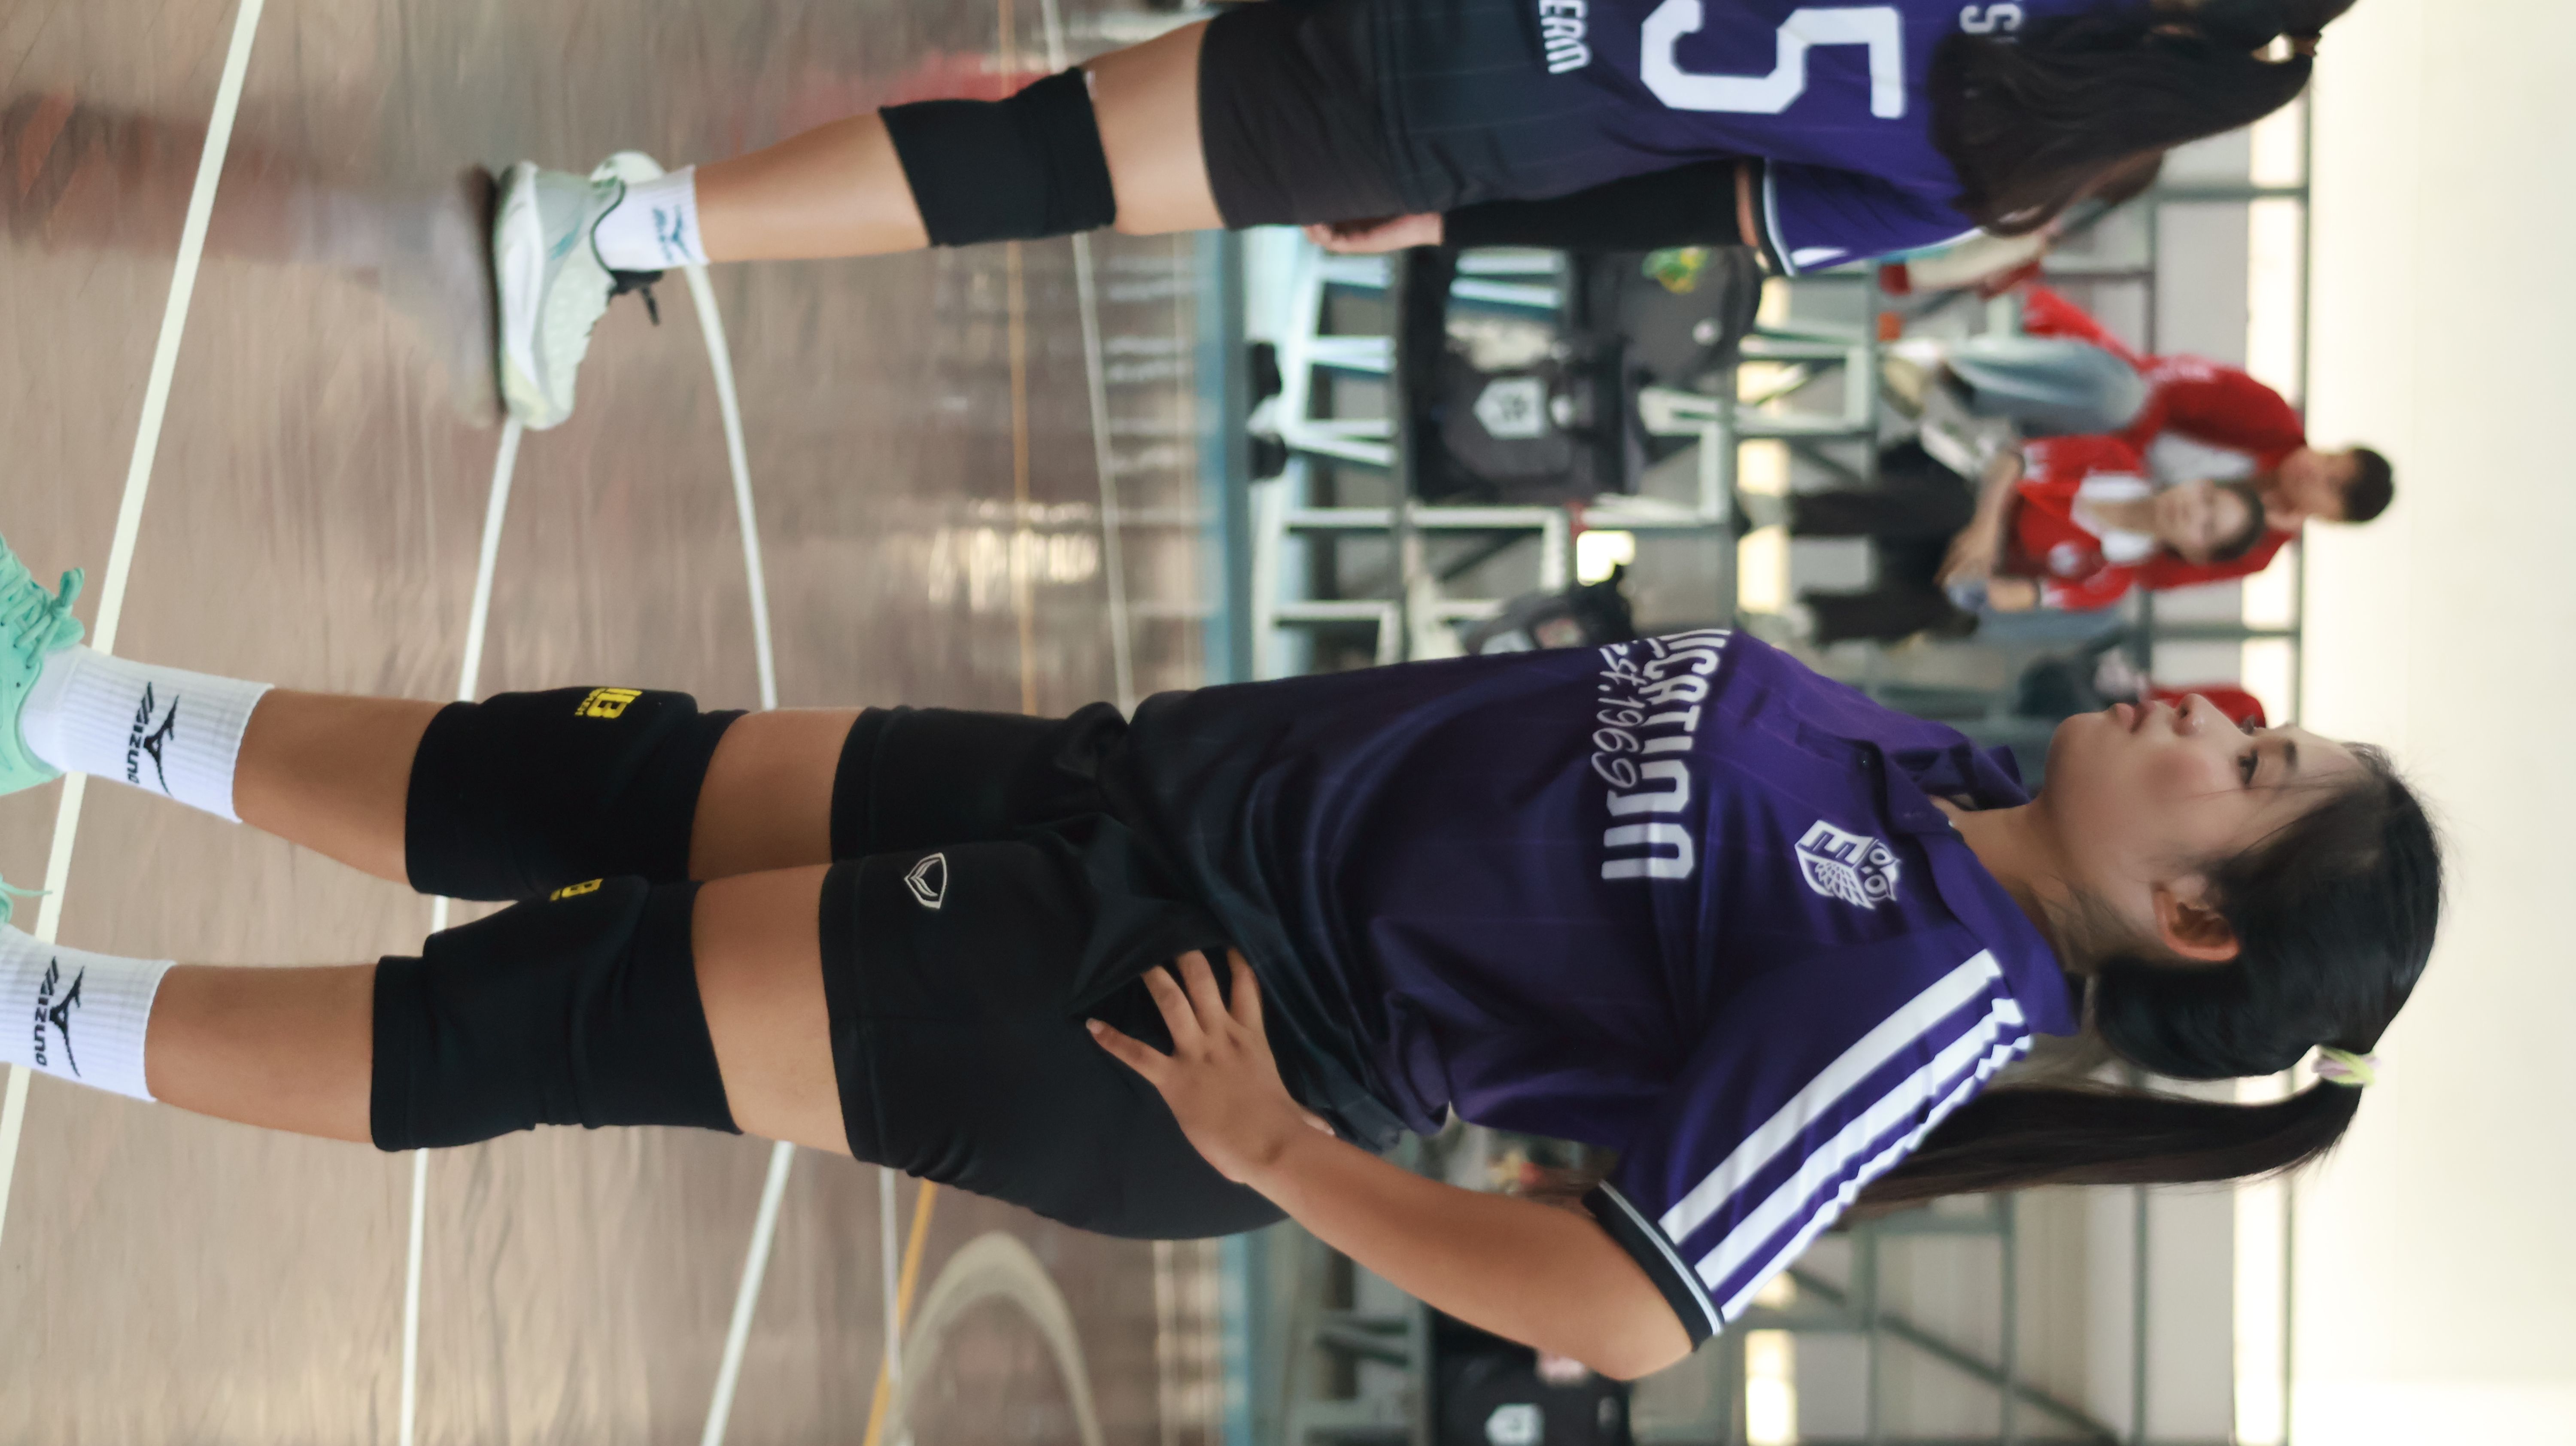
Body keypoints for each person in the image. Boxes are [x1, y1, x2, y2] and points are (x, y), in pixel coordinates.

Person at [0, 526, 2437, 1378]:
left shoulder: (1929, 1000)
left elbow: (1627, 1306)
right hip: (1132, 791)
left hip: (1176, 1010)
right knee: (595, 773)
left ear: (2192, 913)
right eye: (2254, 714)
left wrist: (1277, 1150)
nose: (2208, 712)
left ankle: (32, 1008)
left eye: (2251, 768)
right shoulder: (1934, 766)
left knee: (564, 1002)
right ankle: (64, 701)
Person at [487, 0, 2354, 426]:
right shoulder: (1988, 170)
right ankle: (614, 235)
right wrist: (1446, 236)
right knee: (1042, 161)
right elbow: (1706, 207)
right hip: (1466, 112)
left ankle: (636, 223)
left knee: (1056, 139)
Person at [1922, 284, 2396, 588]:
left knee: (2099, 601)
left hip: (2085, 511)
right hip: (2089, 414)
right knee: (2124, 395)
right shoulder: (2271, 415)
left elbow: (2152, 573)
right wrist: (2117, 465)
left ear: (2327, 519)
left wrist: (2238, 524)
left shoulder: (2257, 552)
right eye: (2329, 459)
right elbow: (2163, 383)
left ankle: (1946, 599)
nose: (2314, 469)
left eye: (2330, 484)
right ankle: (1944, 364)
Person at [1758, 437, 2266, 644]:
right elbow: (2012, 460)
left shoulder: (2110, 580)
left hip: (1967, 566)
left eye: (2206, 526)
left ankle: (1807, 621)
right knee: (1954, 507)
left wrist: (1982, 584)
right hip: (1957, 494)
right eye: (2206, 498)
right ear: (2198, 482)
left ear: (2195, 552)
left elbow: (2024, 596)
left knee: (1953, 606)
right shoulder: (2113, 460)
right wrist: (1984, 528)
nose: (2192, 511)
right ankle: (1789, 512)